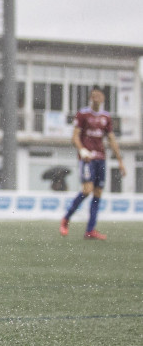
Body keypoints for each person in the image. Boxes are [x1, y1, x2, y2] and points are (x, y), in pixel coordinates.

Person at [59, 86, 126, 240]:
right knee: (87, 190)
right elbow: (75, 137)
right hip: (87, 159)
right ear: (90, 98)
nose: (96, 98)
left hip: (101, 159)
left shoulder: (106, 117)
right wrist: (82, 150)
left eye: (99, 95)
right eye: (93, 95)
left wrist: (120, 161)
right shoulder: (83, 114)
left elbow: (111, 139)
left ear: (103, 98)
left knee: (97, 193)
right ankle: (66, 218)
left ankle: (90, 230)